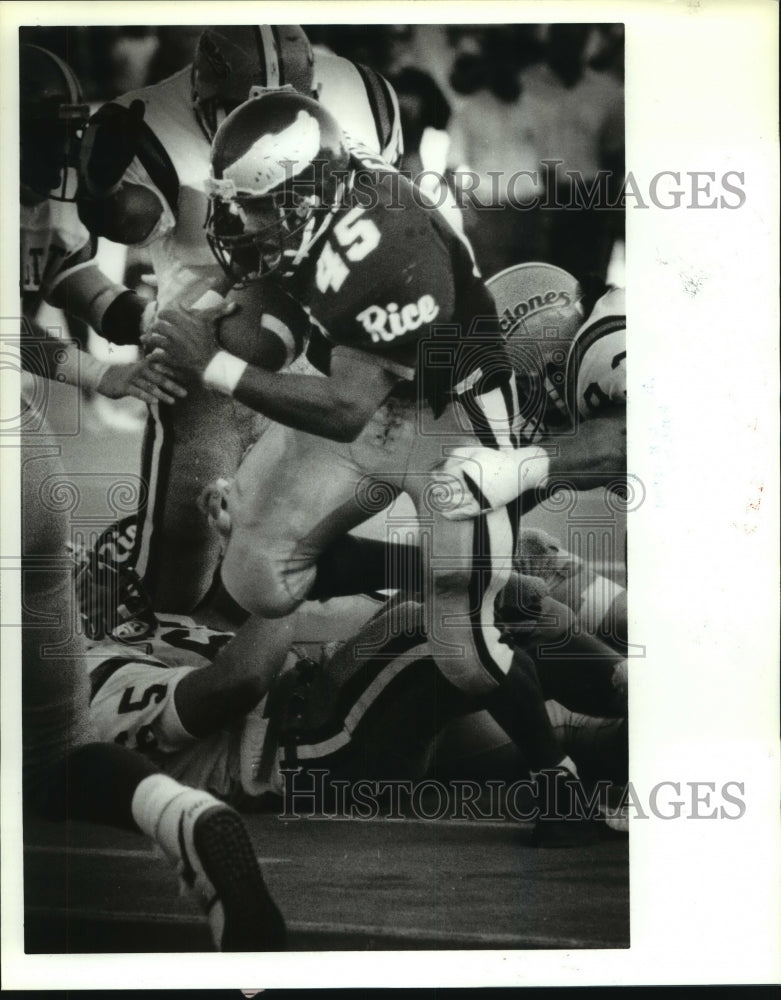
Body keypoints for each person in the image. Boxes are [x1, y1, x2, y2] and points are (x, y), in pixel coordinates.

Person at [148, 91, 623, 841]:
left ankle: (566, 776)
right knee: (257, 573)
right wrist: (210, 316)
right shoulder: (318, 214)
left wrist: (209, 364)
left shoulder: (389, 254)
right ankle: (441, 580)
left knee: (469, 643)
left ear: (307, 195)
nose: (242, 222)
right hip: (375, 400)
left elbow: (341, 407)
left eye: (259, 207)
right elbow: (274, 338)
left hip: (447, 417)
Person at [17, 44, 285, 952]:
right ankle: (182, 819)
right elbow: (27, 320)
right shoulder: (38, 199)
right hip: (28, 457)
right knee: (50, 757)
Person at [73, 24, 404, 613]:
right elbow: (128, 221)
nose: (264, 131)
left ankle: (256, 653)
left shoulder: (362, 94)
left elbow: (397, 205)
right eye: (241, 112)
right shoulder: (153, 120)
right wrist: (101, 193)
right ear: (201, 95)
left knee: (288, 538)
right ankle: (156, 638)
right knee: (186, 546)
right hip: (212, 339)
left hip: (323, 334)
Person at [19, 43, 183, 408]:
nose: (64, 147)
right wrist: (100, 373)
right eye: (45, 132)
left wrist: (156, 320)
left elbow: (85, 290)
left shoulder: (46, 200)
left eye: (70, 130)